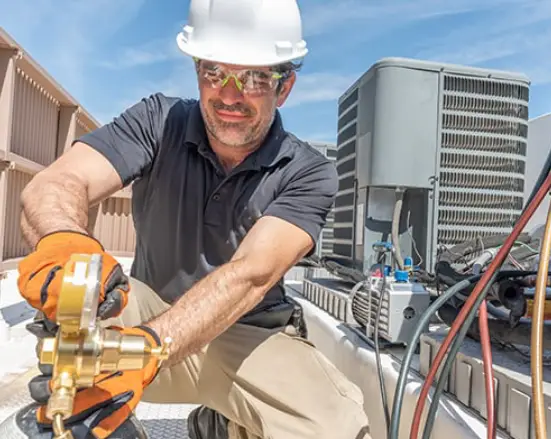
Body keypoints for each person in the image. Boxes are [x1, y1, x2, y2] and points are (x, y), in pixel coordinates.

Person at [16, 0, 372, 438]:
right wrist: (63, 240)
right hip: (145, 324)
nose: (229, 94)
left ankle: (222, 423)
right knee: (79, 296)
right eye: (213, 72)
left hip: (244, 337)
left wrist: (152, 348)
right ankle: (101, 423)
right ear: (197, 71)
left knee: (333, 426)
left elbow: (252, 274)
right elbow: (58, 183)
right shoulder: (157, 120)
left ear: (285, 87)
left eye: (255, 78)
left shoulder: (308, 171)